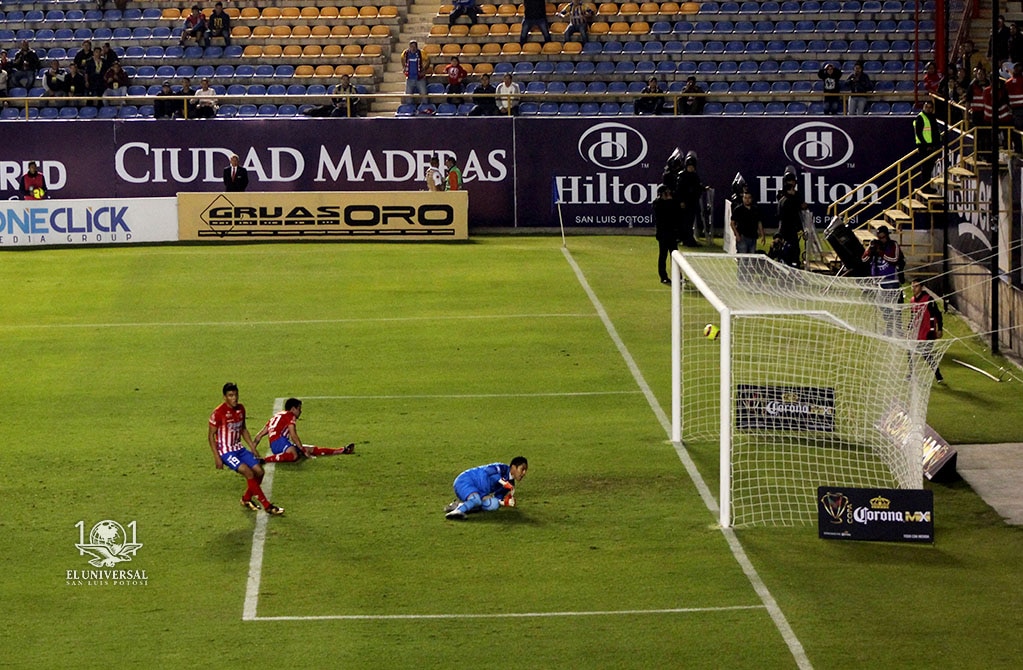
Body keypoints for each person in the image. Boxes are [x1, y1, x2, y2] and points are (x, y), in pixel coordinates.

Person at [208, 383, 284, 516]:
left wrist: (253, 447)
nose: (234, 398)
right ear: (224, 397)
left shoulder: (241, 409)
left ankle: (246, 499)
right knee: (248, 473)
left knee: (259, 472)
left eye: (236, 395)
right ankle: (267, 505)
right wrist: (217, 457)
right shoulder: (218, 413)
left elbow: (243, 429)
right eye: (231, 395)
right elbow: (210, 436)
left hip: (239, 448)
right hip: (226, 451)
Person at [253, 398, 355, 463]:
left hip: (277, 443)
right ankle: (264, 460)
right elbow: (293, 435)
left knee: (310, 449)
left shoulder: (277, 416)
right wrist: (302, 450)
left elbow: (259, 436)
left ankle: (342, 450)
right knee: (294, 455)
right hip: (279, 442)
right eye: (299, 408)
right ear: (293, 409)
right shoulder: (290, 416)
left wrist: (252, 451)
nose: (300, 411)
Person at [444, 457, 528, 520]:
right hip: (466, 480)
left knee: (493, 504)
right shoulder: (501, 468)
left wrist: (505, 502)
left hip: (479, 492)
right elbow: (489, 471)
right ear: (513, 467)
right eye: (522, 469)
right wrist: (503, 482)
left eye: (525, 470)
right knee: (476, 500)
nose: (524, 473)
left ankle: (459, 505)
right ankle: (457, 512)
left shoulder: (510, 483)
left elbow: (498, 498)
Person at [910, 280, 944, 383]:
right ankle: (911, 374)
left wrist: (940, 328)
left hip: (928, 331)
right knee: (910, 351)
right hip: (917, 332)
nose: (913, 289)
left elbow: (938, 314)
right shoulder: (912, 300)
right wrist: (910, 329)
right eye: (912, 286)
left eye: (916, 286)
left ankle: (938, 375)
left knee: (926, 354)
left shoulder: (928, 299)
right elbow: (913, 317)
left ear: (921, 287)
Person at [653, 185, 681, 285]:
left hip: (672, 233)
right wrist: (669, 201)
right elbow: (664, 215)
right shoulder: (657, 203)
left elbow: (677, 213)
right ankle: (663, 276)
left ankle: (679, 276)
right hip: (663, 234)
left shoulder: (673, 202)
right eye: (666, 192)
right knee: (663, 256)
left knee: (675, 255)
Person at [914, 100, 940, 190]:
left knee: (930, 168)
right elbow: (919, 133)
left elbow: (935, 132)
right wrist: (926, 145)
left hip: (932, 146)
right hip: (924, 147)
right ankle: (925, 187)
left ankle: (927, 186)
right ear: (923, 107)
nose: (928, 109)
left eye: (930, 107)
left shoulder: (932, 117)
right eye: (926, 107)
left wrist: (938, 143)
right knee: (926, 168)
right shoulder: (920, 117)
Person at [776, 179, 806, 254]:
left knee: (786, 247)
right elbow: (794, 215)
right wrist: (800, 227)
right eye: (793, 190)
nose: (794, 191)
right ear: (789, 191)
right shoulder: (789, 201)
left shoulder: (781, 200)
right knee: (793, 248)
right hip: (789, 229)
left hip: (783, 228)